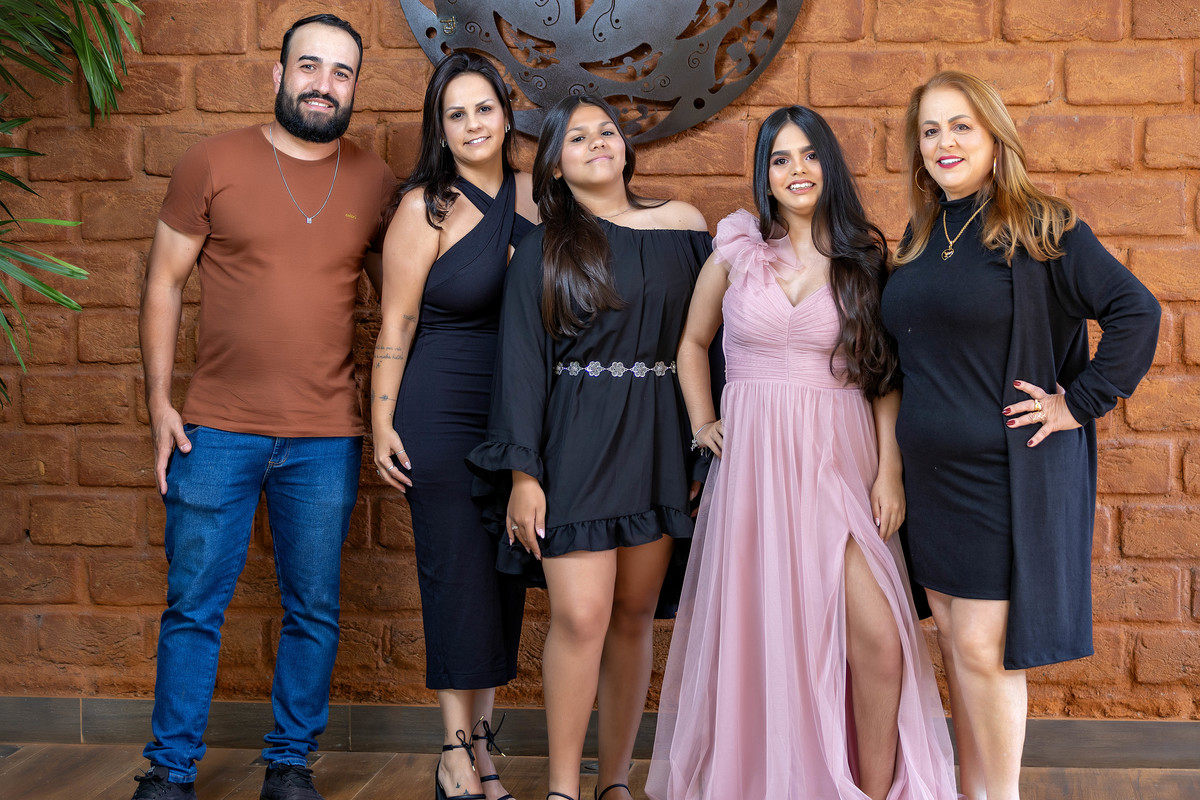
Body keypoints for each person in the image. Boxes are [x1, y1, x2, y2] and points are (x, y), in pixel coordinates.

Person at [646, 106, 957, 800]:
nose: (796, 170)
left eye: (810, 154)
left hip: (838, 457)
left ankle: (871, 789)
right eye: (780, 158)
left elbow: (883, 378)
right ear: (764, 174)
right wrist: (703, 422)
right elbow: (691, 344)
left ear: (829, 165)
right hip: (755, 466)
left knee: (877, 640)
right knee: (769, 635)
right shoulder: (736, 252)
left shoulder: (863, 260)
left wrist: (889, 472)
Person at [135, 14, 396, 800]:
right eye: (309, 66)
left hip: (325, 435)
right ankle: (170, 769)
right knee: (193, 605)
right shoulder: (212, 162)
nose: (324, 84)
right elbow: (163, 283)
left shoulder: (376, 181)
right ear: (278, 74)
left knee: (313, 607)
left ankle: (289, 765)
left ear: (355, 87)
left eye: (341, 72)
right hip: (214, 429)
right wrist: (159, 403)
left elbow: (403, 305)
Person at [882, 71, 1161, 800]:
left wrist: (1079, 403)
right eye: (930, 130)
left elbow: (1137, 312)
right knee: (956, 643)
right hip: (932, 482)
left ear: (994, 135)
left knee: (984, 649)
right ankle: (972, 792)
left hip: (1001, 479)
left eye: (961, 126)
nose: (944, 142)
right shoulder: (922, 234)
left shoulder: (1042, 227)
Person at [467, 95, 710, 800]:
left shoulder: (686, 226)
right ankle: (562, 789)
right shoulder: (543, 247)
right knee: (580, 616)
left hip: (660, 438)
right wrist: (523, 475)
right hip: (575, 441)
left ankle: (615, 783)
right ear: (554, 165)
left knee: (634, 616)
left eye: (606, 130)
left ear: (625, 147)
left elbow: (713, 344)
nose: (598, 142)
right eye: (576, 138)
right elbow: (520, 364)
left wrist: (703, 448)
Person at [370, 52, 536, 800]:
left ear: (506, 113)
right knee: (455, 577)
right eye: (455, 113)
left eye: (484, 109)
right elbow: (396, 323)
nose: (473, 125)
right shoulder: (424, 208)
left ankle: (485, 752)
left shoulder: (540, 197)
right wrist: (381, 422)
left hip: (517, 414)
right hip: (439, 411)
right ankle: (453, 752)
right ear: (439, 128)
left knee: (504, 579)